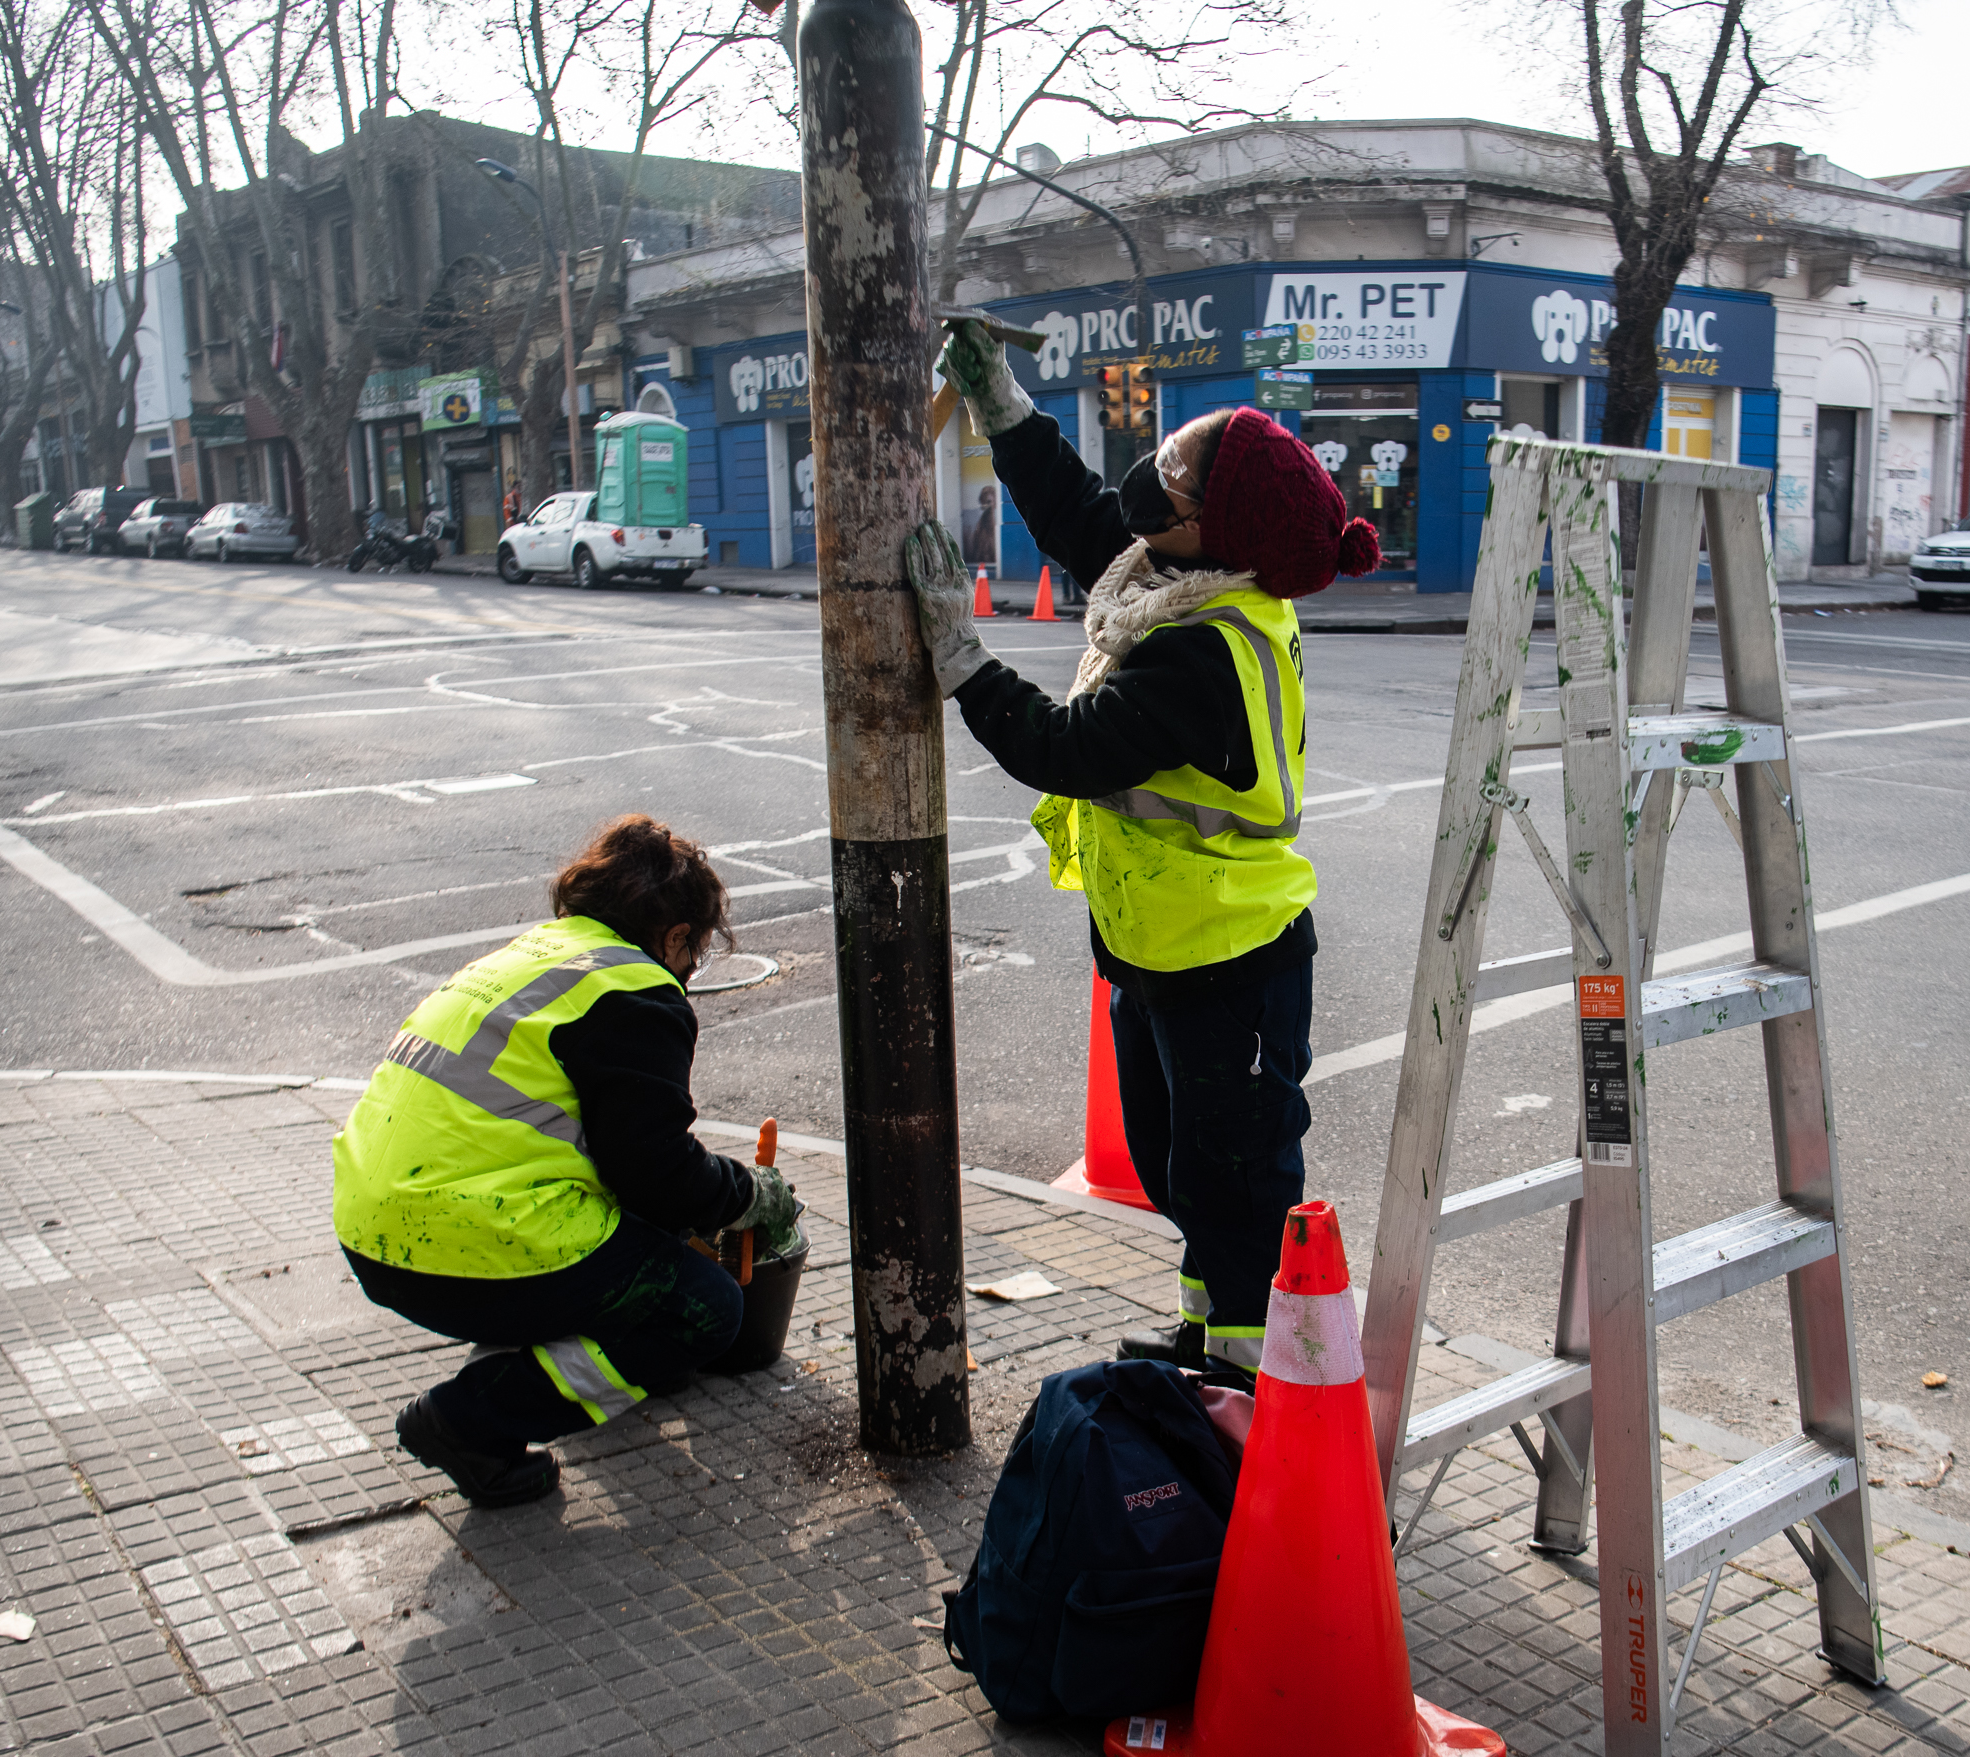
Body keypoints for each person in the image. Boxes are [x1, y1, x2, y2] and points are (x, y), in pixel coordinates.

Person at [906, 325, 1381, 1378]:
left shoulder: (1202, 650)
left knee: (1239, 1191)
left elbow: (1058, 746)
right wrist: (1007, 411)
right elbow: (1088, 520)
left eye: (1178, 467)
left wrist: (959, 657)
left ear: (1213, 526)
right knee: (1180, 1172)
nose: (1154, 468)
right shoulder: (1185, 584)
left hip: (1233, 962)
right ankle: (1209, 1340)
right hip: (1160, 952)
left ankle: (1261, 1395)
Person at [331, 815, 801, 1506]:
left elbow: (615, 1156)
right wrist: (746, 1196)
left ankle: (555, 1359)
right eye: (695, 949)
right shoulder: (635, 992)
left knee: (636, 1252)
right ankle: (468, 1421)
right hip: (462, 1246)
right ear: (676, 937)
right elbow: (656, 1171)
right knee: (704, 1309)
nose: (691, 966)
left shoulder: (536, 954)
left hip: (372, 1230)